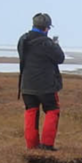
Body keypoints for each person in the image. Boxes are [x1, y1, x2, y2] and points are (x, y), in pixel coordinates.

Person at [17, 12, 65, 150]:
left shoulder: (23, 40)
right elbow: (60, 58)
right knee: (52, 110)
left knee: (31, 112)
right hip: (46, 86)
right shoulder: (47, 43)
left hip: (27, 85)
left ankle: (31, 146)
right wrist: (56, 44)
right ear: (46, 28)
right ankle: (47, 145)